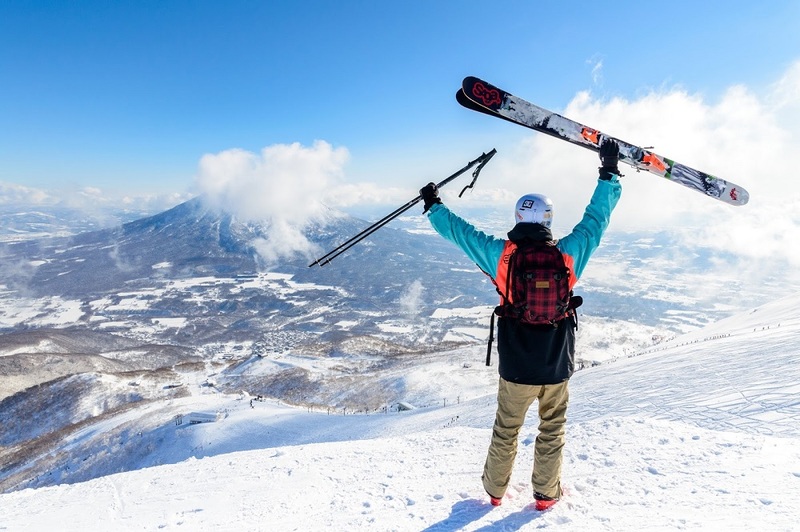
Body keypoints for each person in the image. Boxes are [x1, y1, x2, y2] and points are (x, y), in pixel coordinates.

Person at [420, 139, 622, 511]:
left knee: (506, 430)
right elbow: (596, 221)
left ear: (518, 218)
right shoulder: (567, 255)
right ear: (547, 219)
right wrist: (608, 173)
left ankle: (495, 493)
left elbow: (461, 234)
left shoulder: (502, 256)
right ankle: (546, 496)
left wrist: (434, 205)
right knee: (552, 430)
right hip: (557, 363)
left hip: (515, 366)